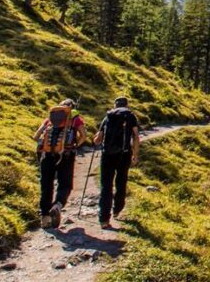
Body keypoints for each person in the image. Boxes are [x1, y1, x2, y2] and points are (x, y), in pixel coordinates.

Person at [33, 98, 86, 228]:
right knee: (65, 183)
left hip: (47, 155)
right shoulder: (75, 119)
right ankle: (57, 205)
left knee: (46, 185)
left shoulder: (50, 119)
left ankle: (45, 218)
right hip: (66, 155)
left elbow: (36, 136)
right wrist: (74, 146)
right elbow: (83, 136)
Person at [93, 96, 140, 229]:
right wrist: (135, 155)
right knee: (121, 182)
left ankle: (103, 219)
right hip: (124, 155)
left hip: (107, 155)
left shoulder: (108, 116)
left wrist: (95, 139)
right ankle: (117, 209)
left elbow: (98, 139)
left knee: (106, 186)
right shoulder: (130, 117)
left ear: (115, 105)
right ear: (126, 105)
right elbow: (136, 136)